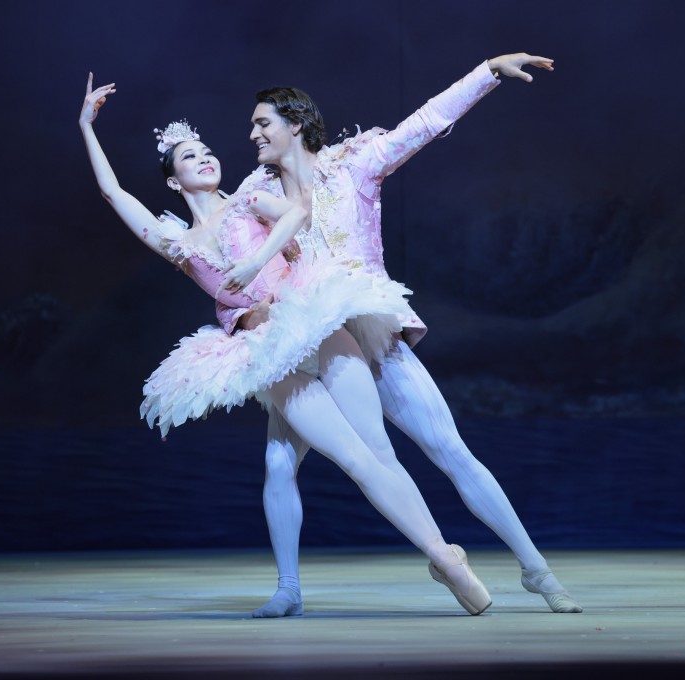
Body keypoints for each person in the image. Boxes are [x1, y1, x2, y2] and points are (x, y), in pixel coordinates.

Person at [78, 73, 493, 616]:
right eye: (188, 157)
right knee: (347, 458)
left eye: (206, 150)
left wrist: (254, 259)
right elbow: (114, 194)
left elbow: (298, 211)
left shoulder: (251, 198)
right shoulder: (177, 242)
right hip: (265, 351)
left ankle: (442, 557)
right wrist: (87, 126)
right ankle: (443, 558)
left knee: (375, 449)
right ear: (175, 182)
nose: (204, 158)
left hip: (311, 318)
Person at [217, 53, 584, 616]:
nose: (253, 133)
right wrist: (241, 319)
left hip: (370, 337)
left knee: (448, 449)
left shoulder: (354, 164)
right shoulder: (253, 192)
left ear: (295, 123)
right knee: (276, 464)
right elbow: (228, 261)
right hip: (301, 346)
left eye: (262, 122)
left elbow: (425, 123)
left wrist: (487, 71)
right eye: (251, 125)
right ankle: (290, 589)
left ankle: (535, 568)